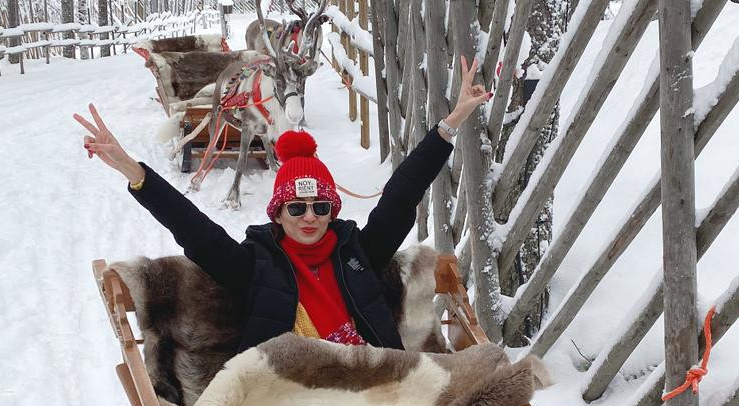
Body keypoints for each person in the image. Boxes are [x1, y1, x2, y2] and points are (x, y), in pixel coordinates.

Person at [74, 59, 490, 351]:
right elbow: (194, 230)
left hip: (368, 380)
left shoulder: (358, 254)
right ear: (277, 213)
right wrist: (135, 172)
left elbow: (402, 194)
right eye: (296, 208)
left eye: (320, 207)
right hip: (290, 392)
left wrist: (449, 125)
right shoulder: (256, 264)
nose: (310, 217)